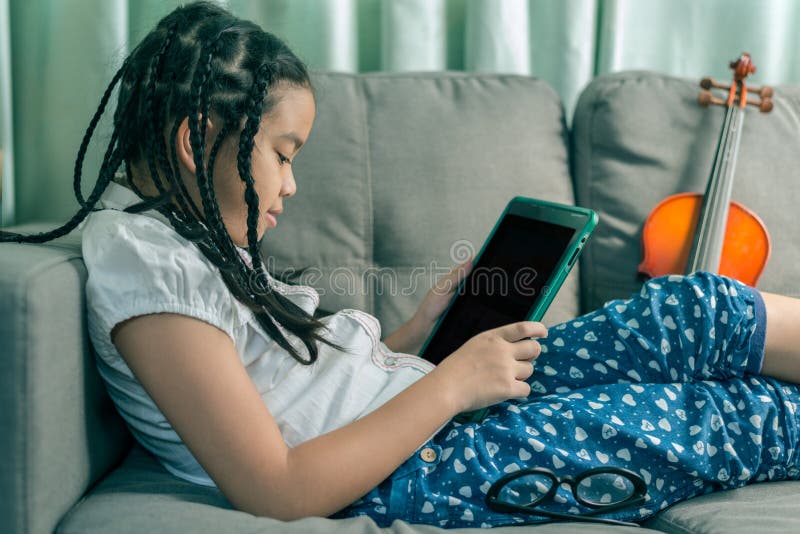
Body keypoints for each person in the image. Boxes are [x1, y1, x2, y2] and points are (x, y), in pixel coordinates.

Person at [3, 1, 800, 529]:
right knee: (710, 419)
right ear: (194, 138)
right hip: (409, 467)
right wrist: (451, 385)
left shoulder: (182, 241)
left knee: (695, 311)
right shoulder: (146, 267)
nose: (290, 184)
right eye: (284, 154)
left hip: (420, 409)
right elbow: (275, 486)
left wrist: (420, 340)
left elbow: (307, 390)